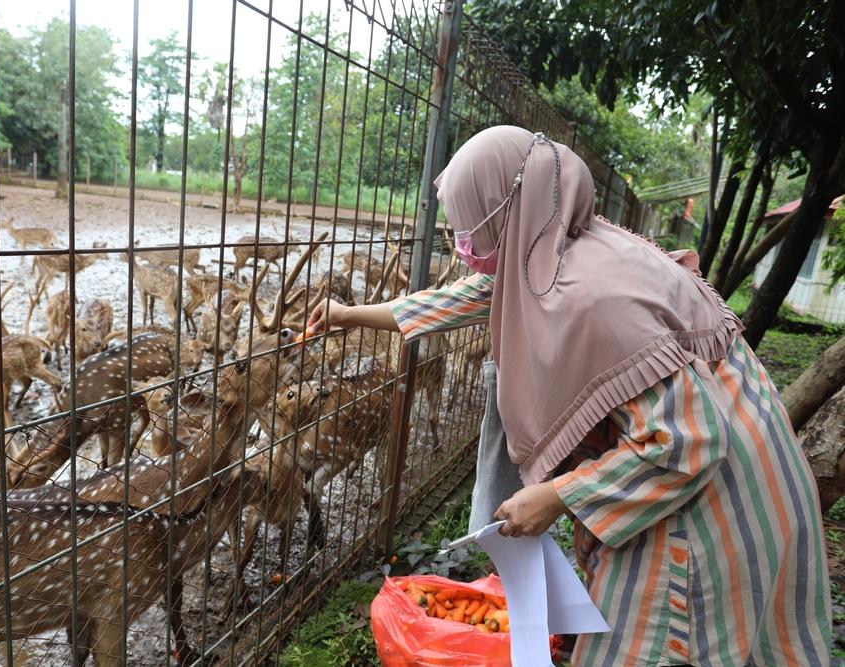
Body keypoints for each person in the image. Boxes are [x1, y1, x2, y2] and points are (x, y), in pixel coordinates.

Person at [307, 126, 831, 666]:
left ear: (505, 206)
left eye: (469, 224)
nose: (462, 244)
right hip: (741, 465)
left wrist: (557, 497)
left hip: (714, 508)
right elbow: (471, 295)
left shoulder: (595, 299)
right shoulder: (558, 245)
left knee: (655, 644)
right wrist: (349, 316)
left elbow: (687, 442)